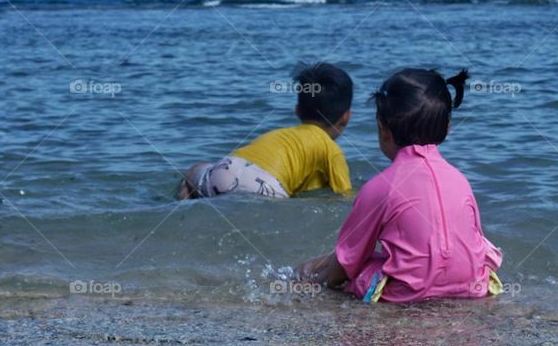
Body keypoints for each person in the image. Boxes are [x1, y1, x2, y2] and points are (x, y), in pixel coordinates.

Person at [294, 67, 502, 303]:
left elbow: (346, 263)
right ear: (447, 128)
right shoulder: (460, 180)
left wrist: (322, 280)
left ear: (383, 130)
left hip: (408, 294)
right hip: (472, 287)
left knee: (355, 268)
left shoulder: (380, 187)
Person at [178, 62, 353, 200]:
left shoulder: (281, 135)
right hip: (265, 186)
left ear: (297, 111)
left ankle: (186, 197)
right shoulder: (332, 151)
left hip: (226, 168)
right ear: (346, 117)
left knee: (197, 169)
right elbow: (343, 197)